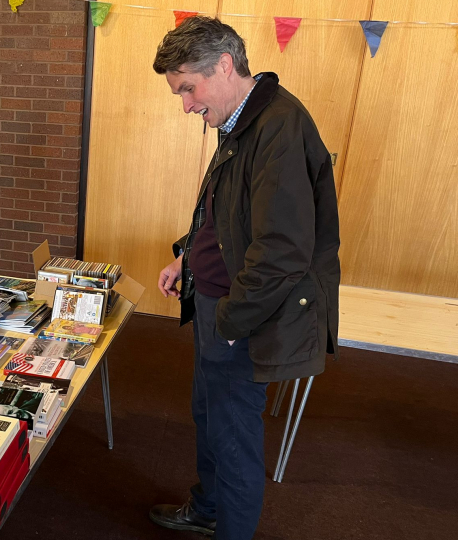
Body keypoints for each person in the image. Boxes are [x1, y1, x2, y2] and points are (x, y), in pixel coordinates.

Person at [151, 17, 340, 540]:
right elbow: (225, 216)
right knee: (209, 416)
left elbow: (281, 251)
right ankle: (208, 507)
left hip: (243, 315)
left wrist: (232, 323)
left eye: (188, 87)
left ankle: (226, 524)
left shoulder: (278, 126)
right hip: (218, 302)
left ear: (226, 66)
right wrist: (187, 258)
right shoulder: (244, 118)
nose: (186, 104)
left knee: (233, 437)